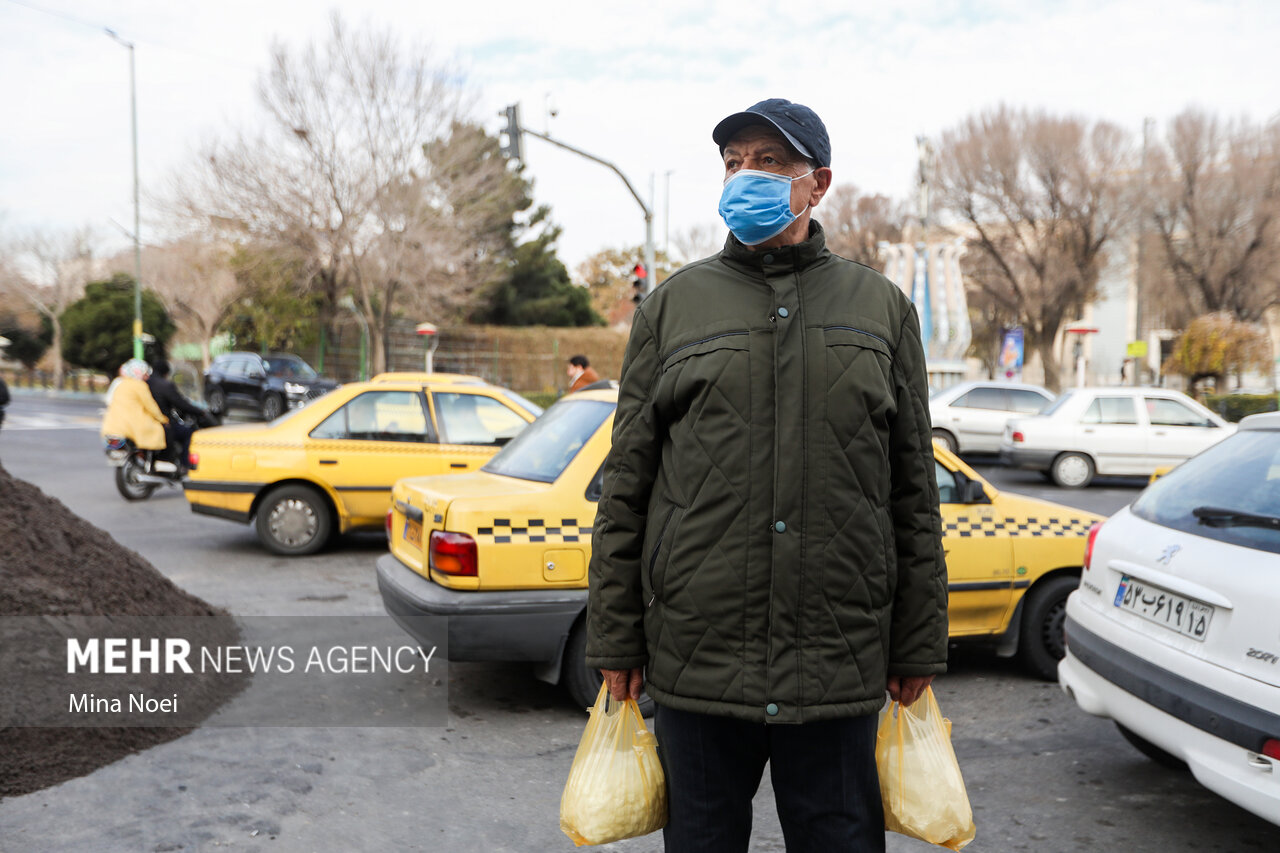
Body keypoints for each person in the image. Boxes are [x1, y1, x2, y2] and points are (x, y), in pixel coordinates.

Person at [586, 98, 948, 853]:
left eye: (770, 162)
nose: (745, 175)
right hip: (699, 658)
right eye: (734, 161)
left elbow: (913, 490)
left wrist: (917, 643)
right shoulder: (671, 309)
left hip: (838, 661)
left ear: (817, 184)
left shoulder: (882, 310)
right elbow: (627, 485)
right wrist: (615, 638)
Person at [100, 358, 169, 458]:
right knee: (157, 432)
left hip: (112, 426)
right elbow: (150, 406)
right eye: (146, 374)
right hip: (131, 427)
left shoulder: (121, 384)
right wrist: (163, 419)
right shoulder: (140, 385)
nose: (147, 377)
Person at [147, 358, 207, 467]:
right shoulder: (165, 385)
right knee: (189, 434)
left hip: (147, 422)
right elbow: (180, 403)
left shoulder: (146, 383)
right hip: (164, 423)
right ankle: (186, 465)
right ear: (166, 372)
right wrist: (199, 411)